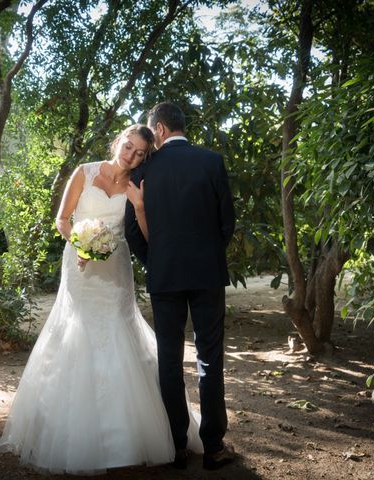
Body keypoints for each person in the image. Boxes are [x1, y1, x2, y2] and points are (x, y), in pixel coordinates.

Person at [0, 124, 202, 475]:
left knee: (118, 331)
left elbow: (146, 239)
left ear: (143, 158)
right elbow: (61, 219)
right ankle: (75, 431)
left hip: (116, 272)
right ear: (119, 140)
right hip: (79, 267)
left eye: (138, 153)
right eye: (128, 146)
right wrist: (81, 244)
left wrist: (140, 207)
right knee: (78, 332)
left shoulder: (138, 186)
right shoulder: (84, 172)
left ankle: (128, 438)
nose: (130, 155)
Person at [125, 102, 236, 470]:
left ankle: (176, 445)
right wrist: (205, 255)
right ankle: (214, 446)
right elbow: (227, 224)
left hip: (165, 277)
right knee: (210, 358)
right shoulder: (211, 161)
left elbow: (132, 232)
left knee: (169, 360)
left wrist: (156, 262)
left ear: (157, 129)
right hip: (207, 276)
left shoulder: (142, 170)